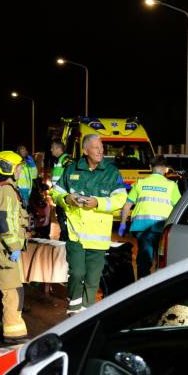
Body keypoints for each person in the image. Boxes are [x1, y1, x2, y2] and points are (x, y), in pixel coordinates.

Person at [50, 134, 127, 315]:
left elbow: (121, 198)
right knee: (76, 273)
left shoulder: (111, 172)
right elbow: (55, 194)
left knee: (93, 280)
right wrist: (66, 198)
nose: (101, 150)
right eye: (95, 147)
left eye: (101, 147)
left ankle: (86, 315)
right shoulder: (71, 170)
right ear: (85, 150)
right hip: (75, 234)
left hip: (98, 238)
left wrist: (98, 203)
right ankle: (73, 309)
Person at [0, 151, 29, 344]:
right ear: (8, 168)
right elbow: (3, 221)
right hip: (4, 249)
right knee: (13, 291)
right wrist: (13, 247)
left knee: (0, 291)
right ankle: (14, 334)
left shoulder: (1, 188)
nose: (20, 170)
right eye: (18, 167)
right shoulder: (6, 190)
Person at [120, 155, 181, 280]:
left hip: (142, 228)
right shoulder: (171, 186)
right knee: (162, 260)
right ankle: (158, 286)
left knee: (144, 260)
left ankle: (142, 287)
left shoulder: (140, 183)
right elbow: (179, 208)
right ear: (165, 169)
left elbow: (127, 205)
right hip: (162, 228)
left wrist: (122, 224)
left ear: (150, 167)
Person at [50, 139, 73, 241]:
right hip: (59, 195)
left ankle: (66, 237)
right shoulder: (59, 160)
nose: (51, 150)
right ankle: (64, 236)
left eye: (53, 147)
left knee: (63, 217)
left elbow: (71, 175)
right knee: (61, 217)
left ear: (59, 149)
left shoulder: (66, 159)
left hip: (64, 195)